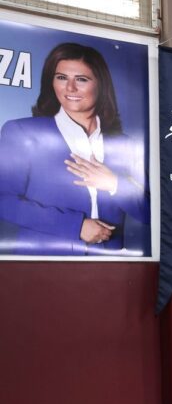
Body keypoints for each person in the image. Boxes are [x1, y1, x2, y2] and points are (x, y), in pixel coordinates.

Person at [0, 42, 147, 256]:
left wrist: (115, 184)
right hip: (44, 266)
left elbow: (150, 213)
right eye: (61, 78)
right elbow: (3, 200)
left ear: (101, 85)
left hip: (111, 266)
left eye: (81, 79)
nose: (70, 88)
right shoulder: (21, 132)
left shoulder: (126, 146)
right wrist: (75, 226)